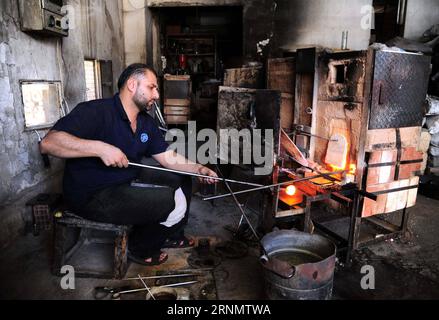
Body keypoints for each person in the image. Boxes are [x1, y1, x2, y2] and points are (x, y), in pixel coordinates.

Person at [40, 63, 218, 266]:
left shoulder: (145, 123)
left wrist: (199, 168)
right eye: (152, 87)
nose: (157, 95)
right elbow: (48, 144)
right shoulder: (96, 111)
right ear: (132, 85)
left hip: (126, 179)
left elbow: (167, 157)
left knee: (182, 179)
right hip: (91, 194)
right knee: (167, 201)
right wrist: (100, 148)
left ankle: (170, 234)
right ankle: (140, 247)